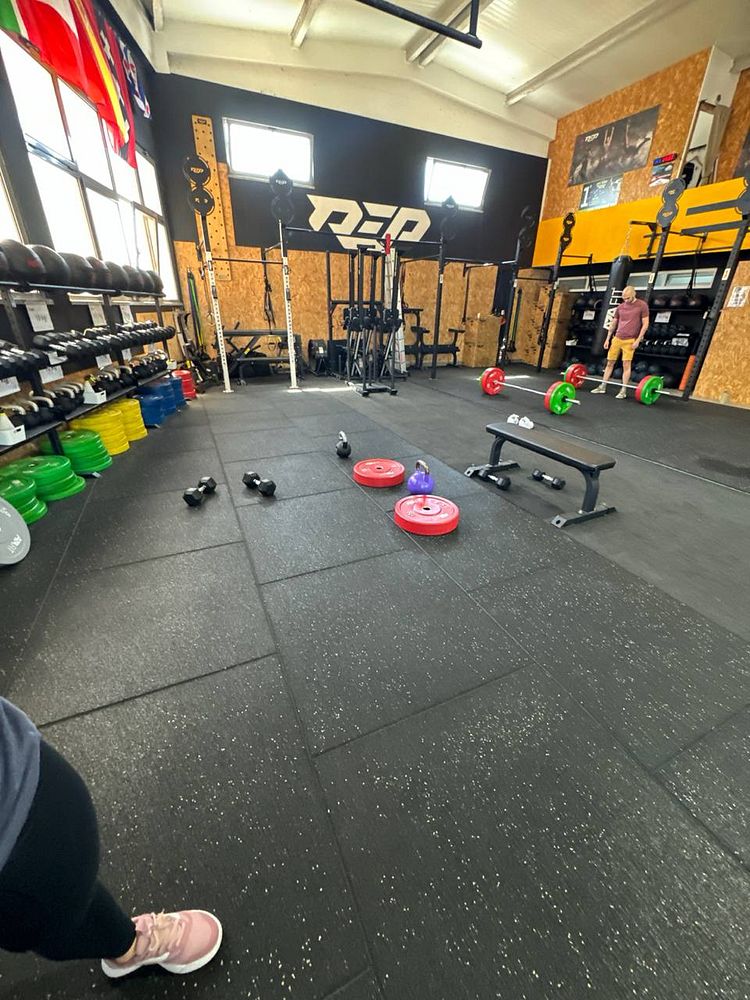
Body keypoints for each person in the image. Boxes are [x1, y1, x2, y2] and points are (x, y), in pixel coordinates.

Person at [0, 696, 222, 978]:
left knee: (66, 893)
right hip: (15, 856)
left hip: (20, 757)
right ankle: (128, 947)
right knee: (57, 911)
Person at [592, 285, 649, 398]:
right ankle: (602, 386)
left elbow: (645, 324)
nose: (626, 300)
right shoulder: (620, 307)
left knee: (626, 365)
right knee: (609, 363)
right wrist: (608, 338)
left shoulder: (642, 305)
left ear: (634, 294)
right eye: (624, 298)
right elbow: (613, 323)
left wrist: (638, 340)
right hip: (617, 338)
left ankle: (623, 390)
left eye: (628, 298)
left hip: (630, 340)